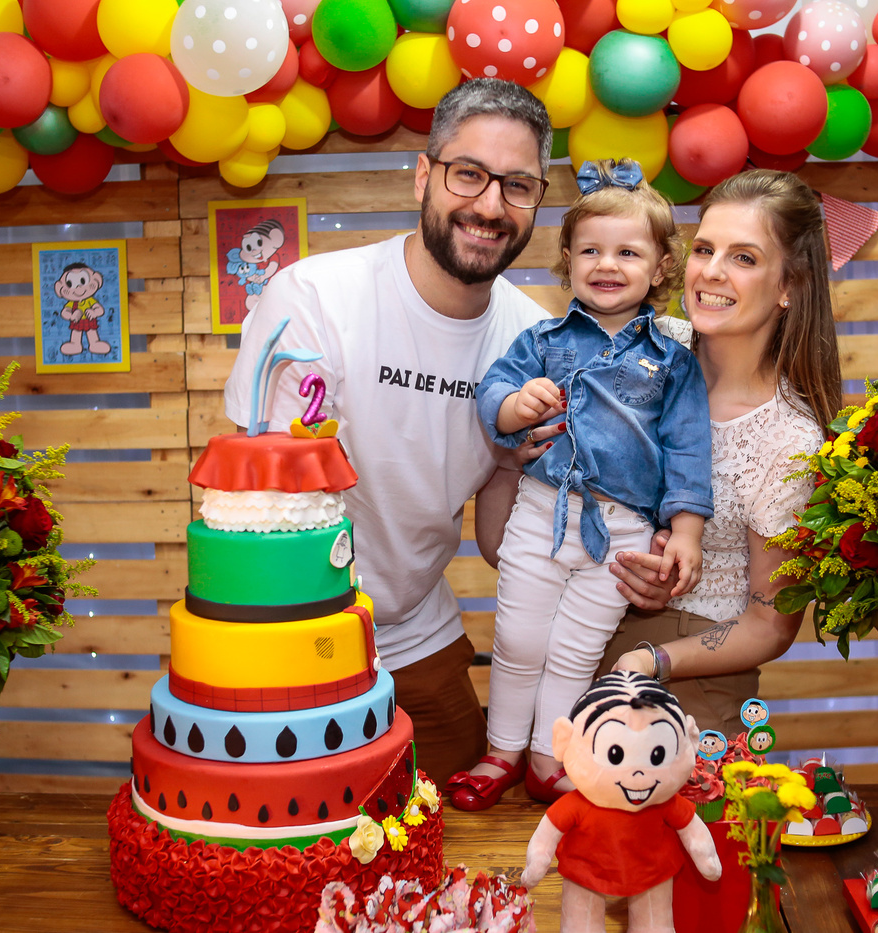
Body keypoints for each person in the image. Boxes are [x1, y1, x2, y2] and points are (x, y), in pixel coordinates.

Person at [223, 79, 555, 786]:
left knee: (455, 809)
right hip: (292, 628)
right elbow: (266, 502)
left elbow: (503, 538)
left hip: (416, 628)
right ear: (423, 175)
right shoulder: (315, 297)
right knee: (299, 824)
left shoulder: (534, 342)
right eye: (469, 174)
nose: (490, 206)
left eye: (518, 185)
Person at [447, 160, 712, 810]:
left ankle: (548, 759)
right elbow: (494, 391)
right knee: (518, 640)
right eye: (590, 250)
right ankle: (501, 751)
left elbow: (688, 450)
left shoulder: (674, 362)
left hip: (622, 532)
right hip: (543, 511)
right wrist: (516, 407)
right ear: (567, 260)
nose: (607, 264)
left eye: (628, 252)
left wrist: (685, 530)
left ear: (661, 267)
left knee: (574, 650)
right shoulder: (542, 339)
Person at [604, 169, 843, 739]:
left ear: (790, 285)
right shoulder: (643, 343)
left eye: (744, 257)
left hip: (691, 677)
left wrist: (652, 660)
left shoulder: (789, 440)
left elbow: (769, 625)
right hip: (581, 631)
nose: (711, 271)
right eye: (704, 249)